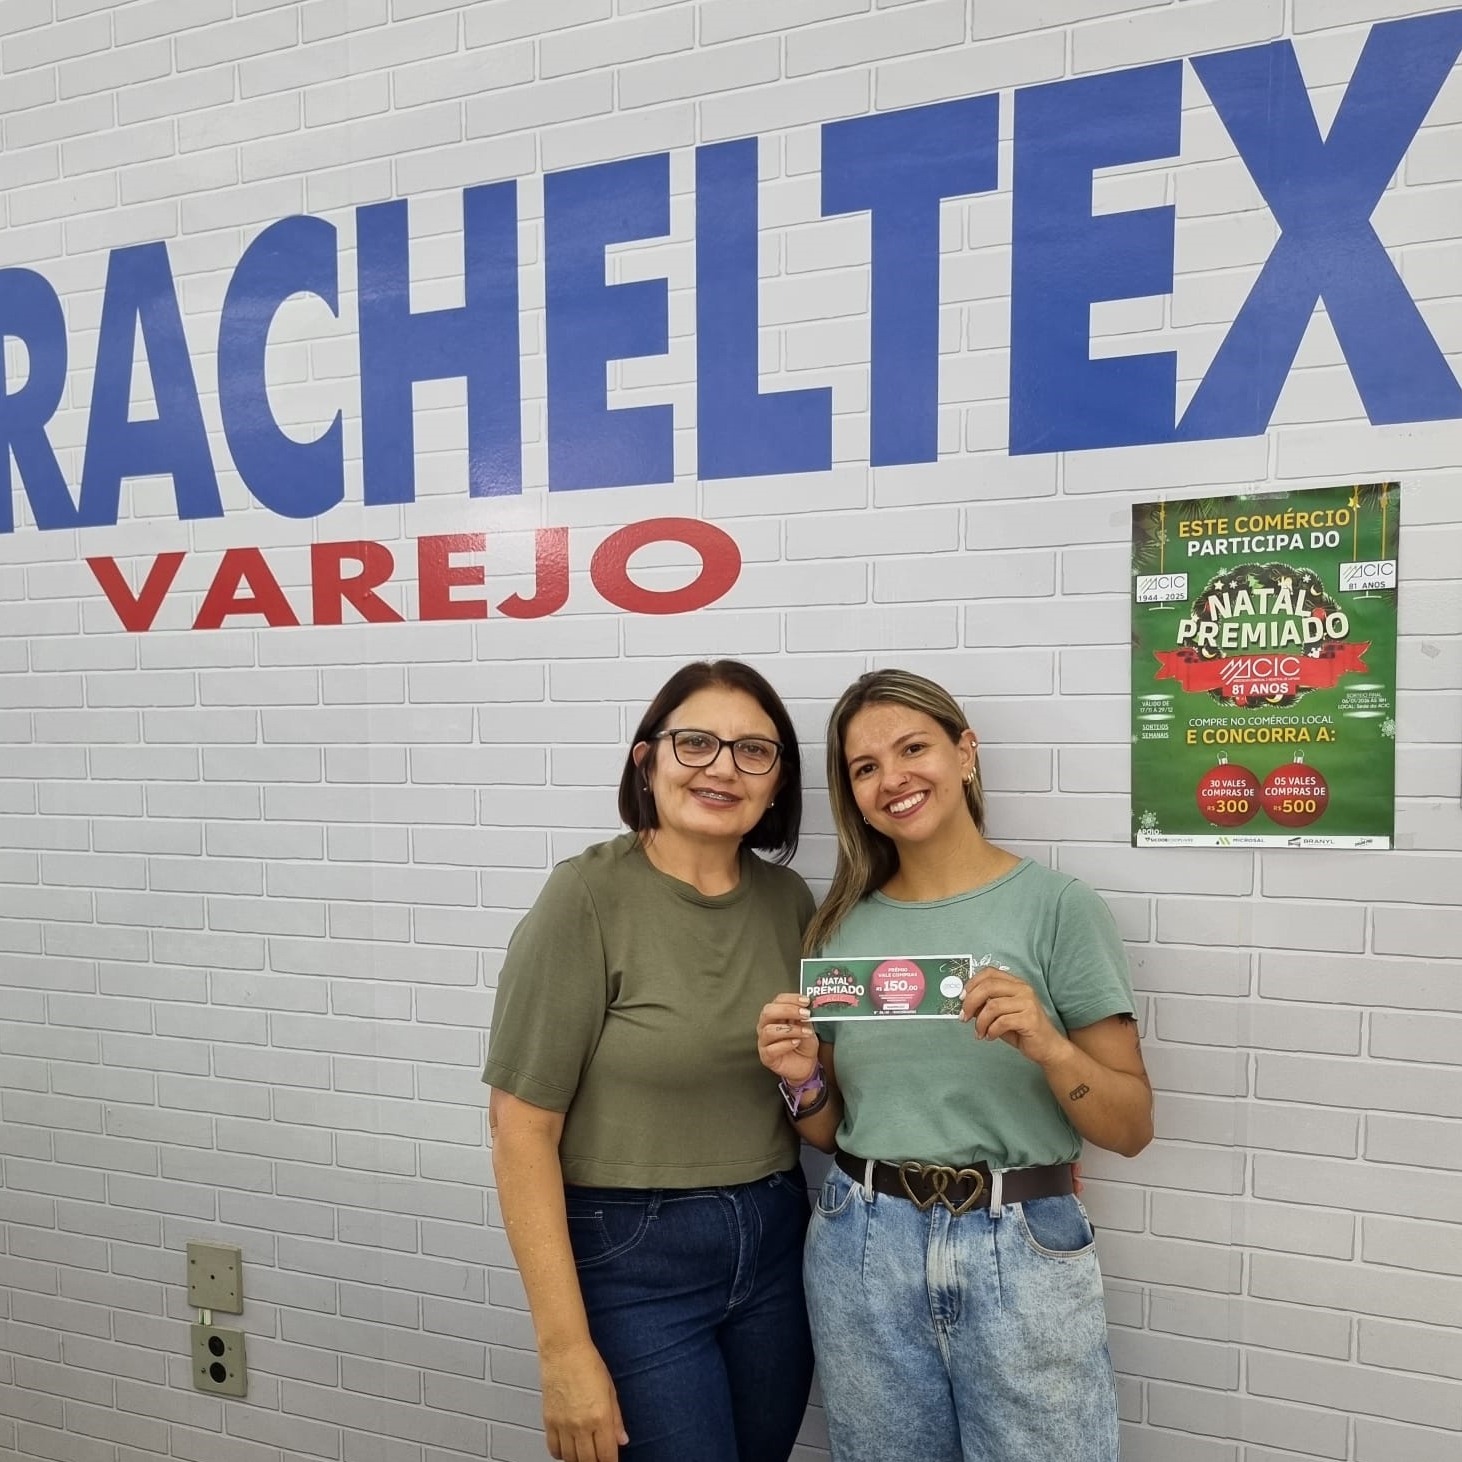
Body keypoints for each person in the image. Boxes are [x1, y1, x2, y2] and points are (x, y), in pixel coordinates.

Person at [757, 669, 1153, 1462]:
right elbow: (832, 1132)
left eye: (913, 749)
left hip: (1023, 1248)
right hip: (861, 1242)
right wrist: (800, 1078)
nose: (892, 779)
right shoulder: (838, 929)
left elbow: (1131, 1127)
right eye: (865, 767)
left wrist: (1047, 1043)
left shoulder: (1060, 909)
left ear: (965, 752)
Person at [484, 660, 816, 1462]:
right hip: (632, 1255)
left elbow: (812, 1087)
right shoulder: (585, 898)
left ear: (778, 782)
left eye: (753, 751)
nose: (722, 769)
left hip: (777, 1238)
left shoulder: (792, 903)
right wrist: (564, 1352)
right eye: (695, 743)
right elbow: (520, 1130)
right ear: (647, 761)